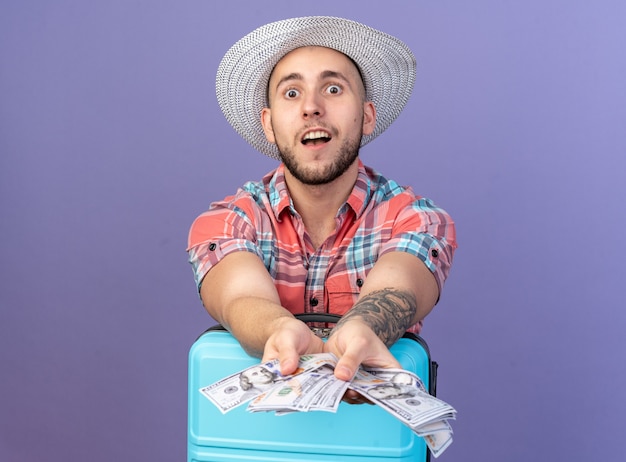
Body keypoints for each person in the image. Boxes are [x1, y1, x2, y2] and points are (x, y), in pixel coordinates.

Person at [187, 16, 457, 403]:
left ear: (366, 116)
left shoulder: (418, 219)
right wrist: (278, 328)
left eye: (333, 88)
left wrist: (363, 327)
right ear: (268, 124)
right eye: (291, 93)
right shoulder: (225, 223)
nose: (312, 107)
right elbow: (240, 299)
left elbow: (401, 284)